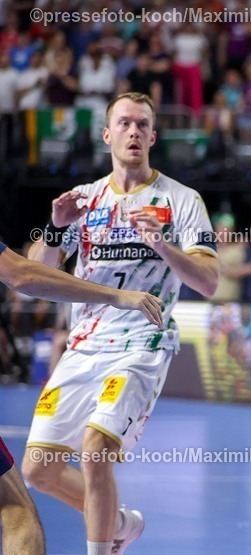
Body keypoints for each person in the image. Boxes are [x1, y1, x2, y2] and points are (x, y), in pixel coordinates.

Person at [21, 91, 220, 555]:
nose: (133, 132)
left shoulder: (182, 200)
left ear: (153, 135)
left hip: (142, 345)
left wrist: (164, 246)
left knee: (95, 452)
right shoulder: (84, 200)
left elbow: (209, 281)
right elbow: (35, 272)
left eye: (142, 125)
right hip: (83, 346)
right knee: (37, 470)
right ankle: (121, 523)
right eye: (125, 124)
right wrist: (54, 227)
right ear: (107, 134)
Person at [0, 232, 162, 555]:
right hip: (90, 345)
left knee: (88, 453)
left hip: (119, 351)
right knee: (16, 509)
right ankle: (115, 524)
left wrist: (55, 225)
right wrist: (116, 295)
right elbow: (23, 272)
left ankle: (113, 525)